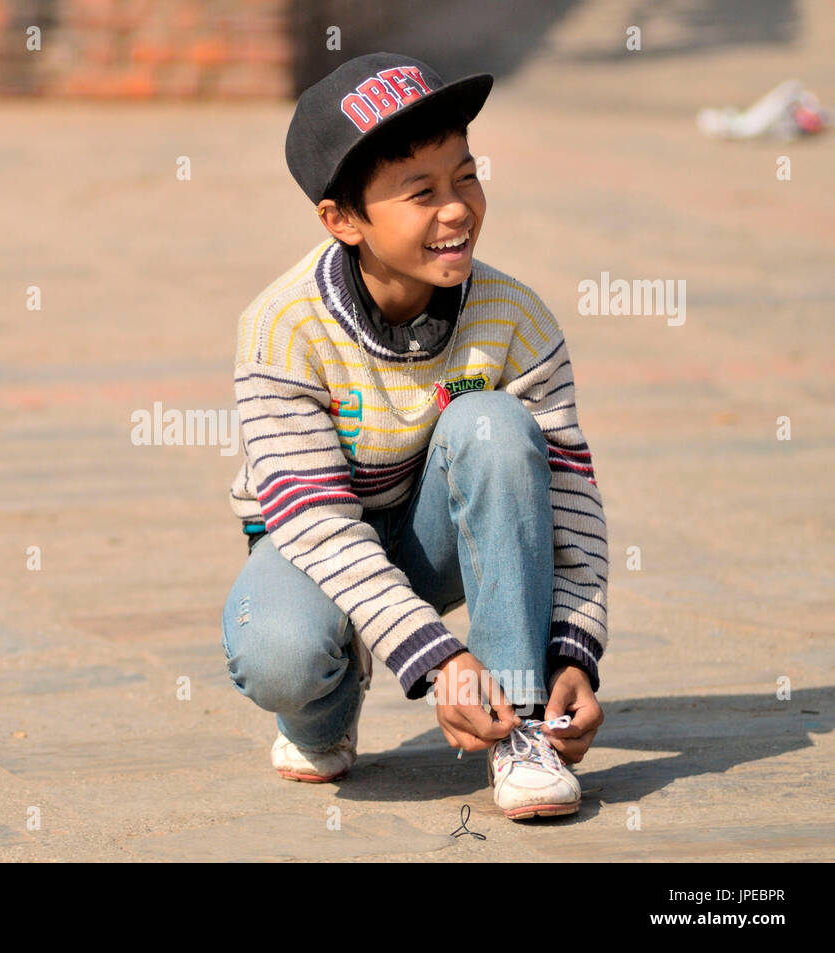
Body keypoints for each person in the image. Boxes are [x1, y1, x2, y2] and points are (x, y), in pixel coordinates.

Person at [221, 52, 608, 820]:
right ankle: (324, 713)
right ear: (343, 221)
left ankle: (519, 725)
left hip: (438, 537)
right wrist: (437, 659)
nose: (457, 209)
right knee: (283, 653)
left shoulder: (515, 317)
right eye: (421, 192)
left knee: (494, 423)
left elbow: (570, 502)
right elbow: (319, 526)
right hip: (316, 543)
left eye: (465, 176)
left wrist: (572, 650)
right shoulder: (281, 327)